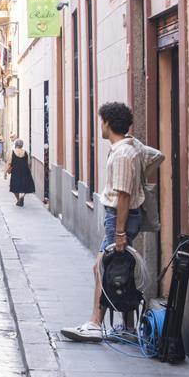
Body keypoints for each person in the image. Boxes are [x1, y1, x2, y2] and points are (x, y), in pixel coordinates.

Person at [61, 102, 145, 343]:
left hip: (119, 218)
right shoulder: (129, 148)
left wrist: (119, 232)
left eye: (102, 121)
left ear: (108, 123)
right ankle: (127, 326)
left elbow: (124, 195)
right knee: (120, 267)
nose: (101, 126)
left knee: (103, 267)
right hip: (120, 217)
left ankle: (95, 323)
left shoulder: (123, 153)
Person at [6, 139, 36, 207]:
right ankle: (21, 197)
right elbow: (28, 163)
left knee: (14, 186)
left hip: (15, 171)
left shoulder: (12, 151)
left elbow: (9, 162)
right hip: (25, 170)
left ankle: (19, 200)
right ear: (22, 145)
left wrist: (5, 172)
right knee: (25, 186)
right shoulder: (25, 152)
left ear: (16, 144)